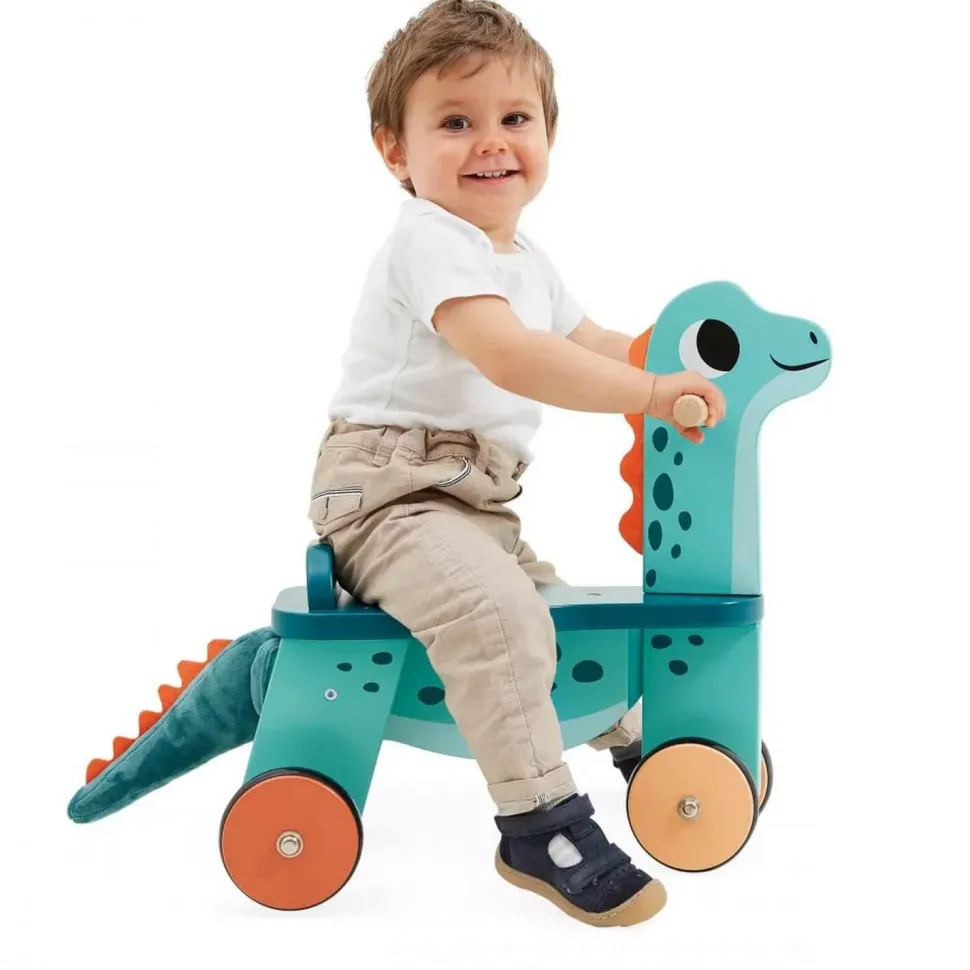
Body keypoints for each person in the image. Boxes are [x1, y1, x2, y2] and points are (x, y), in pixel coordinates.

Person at [309, 0, 725, 927]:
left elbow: (592, 342)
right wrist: (650, 396)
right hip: (386, 500)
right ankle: (539, 825)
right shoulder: (430, 239)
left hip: (471, 507)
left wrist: (671, 363)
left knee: (563, 617)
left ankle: (651, 750)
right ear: (394, 150)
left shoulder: (525, 255)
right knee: (500, 619)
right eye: (455, 121)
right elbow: (512, 356)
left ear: (548, 134)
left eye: (514, 117)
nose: (491, 142)